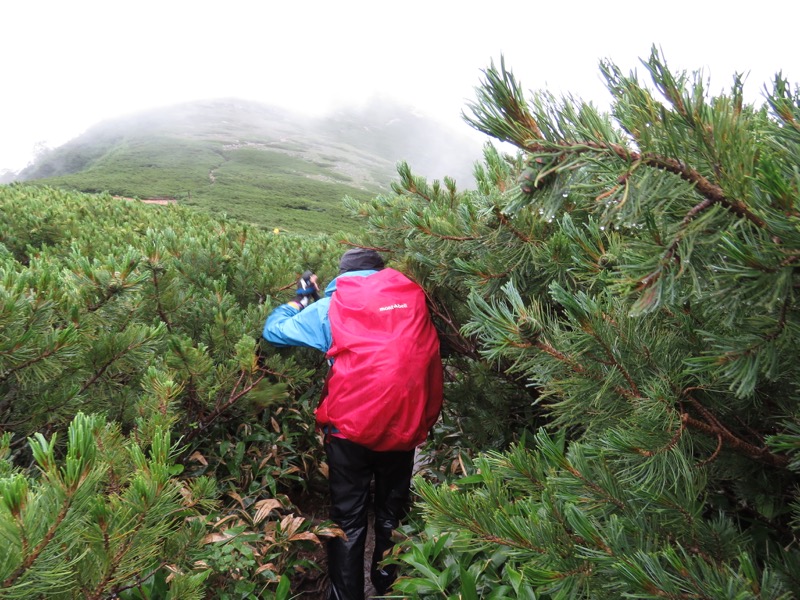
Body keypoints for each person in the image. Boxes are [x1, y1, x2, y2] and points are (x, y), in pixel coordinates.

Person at [263, 248, 443, 600]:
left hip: (350, 430)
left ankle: (347, 596)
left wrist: (301, 300)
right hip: (405, 426)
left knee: (348, 520)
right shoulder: (413, 296)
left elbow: (275, 331)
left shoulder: (333, 305)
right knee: (392, 512)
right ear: (381, 272)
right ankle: (391, 587)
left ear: (342, 276)